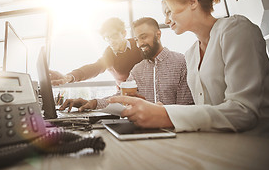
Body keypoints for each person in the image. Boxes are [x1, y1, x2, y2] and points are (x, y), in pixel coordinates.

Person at [109, 0, 269, 139]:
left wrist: (166, 115)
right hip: (218, 140)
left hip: (262, 141)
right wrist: (163, 110)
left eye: (169, 11)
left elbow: (244, 112)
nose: (167, 20)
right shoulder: (191, 54)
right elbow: (203, 110)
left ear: (192, 2)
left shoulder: (236, 30)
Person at [60, 17, 194, 112]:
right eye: (107, 38)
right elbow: (95, 69)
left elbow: (186, 107)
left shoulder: (180, 62)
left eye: (143, 37)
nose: (140, 43)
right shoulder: (130, 65)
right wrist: (91, 101)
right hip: (135, 109)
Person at [50, 17, 143, 87]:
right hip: (126, 96)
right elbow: (95, 68)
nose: (111, 41)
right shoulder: (109, 54)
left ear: (124, 33)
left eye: (114, 36)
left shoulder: (138, 44)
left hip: (147, 92)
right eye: (107, 38)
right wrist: (69, 77)